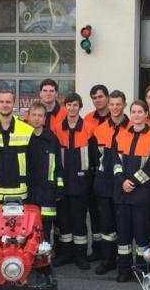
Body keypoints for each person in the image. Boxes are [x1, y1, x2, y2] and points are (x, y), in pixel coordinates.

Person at [112, 100, 150, 282]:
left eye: (140, 112)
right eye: (133, 112)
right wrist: (121, 181)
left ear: (146, 114)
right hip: (122, 194)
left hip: (142, 195)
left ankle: (141, 270)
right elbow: (115, 162)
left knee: (142, 236)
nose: (136, 115)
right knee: (123, 237)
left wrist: (131, 181)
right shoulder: (121, 135)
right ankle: (124, 270)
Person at [52, 93, 97, 270]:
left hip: (81, 184)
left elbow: (94, 159)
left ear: (80, 107)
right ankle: (65, 254)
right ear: (65, 106)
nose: (72, 108)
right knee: (63, 221)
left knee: (79, 221)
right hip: (63, 183)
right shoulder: (57, 128)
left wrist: (90, 182)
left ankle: (80, 255)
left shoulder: (89, 128)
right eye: (69, 105)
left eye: (75, 105)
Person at [91, 91, 131, 271]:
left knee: (123, 225)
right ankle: (108, 261)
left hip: (124, 185)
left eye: (118, 104)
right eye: (112, 104)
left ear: (124, 105)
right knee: (106, 225)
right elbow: (94, 158)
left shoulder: (132, 128)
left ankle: (124, 265)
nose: (115, 108)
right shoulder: (99, 130)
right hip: (104, 184)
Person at [26, 102, 64, 245]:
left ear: (44, 119)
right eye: (34, 115)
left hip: (47, 191)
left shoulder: (52, 139)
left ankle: (44, 259)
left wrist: (59, 186)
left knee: (46, 228)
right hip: (28, 190)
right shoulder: (23, 137)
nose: (36, 118)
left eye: (40, 116)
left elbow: (58, 165)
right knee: (27, 226)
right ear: (28, 117)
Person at [83, 84, 110, 261]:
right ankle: (98, 249)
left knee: (108, 215)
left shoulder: (115, 118)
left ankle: (110, 251)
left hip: (110, 173)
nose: (97, 100)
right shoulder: (88, 119)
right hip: (93, 173)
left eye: (100, 96)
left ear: (106, 97)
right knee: (94, 213)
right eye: (94, 97)